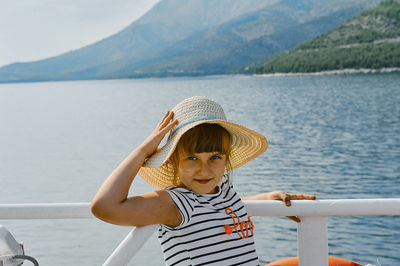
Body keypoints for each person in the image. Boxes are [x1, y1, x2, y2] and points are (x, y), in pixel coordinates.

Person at [91, 96, 316, 266]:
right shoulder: (176, 203)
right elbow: (104, 207)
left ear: (226, 159)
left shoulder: (224, 192)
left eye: (215, 157)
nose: (204, 169)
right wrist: (144, 149)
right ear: (172, 162)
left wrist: (267, 198)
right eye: (192, 158)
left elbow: (220, 208)